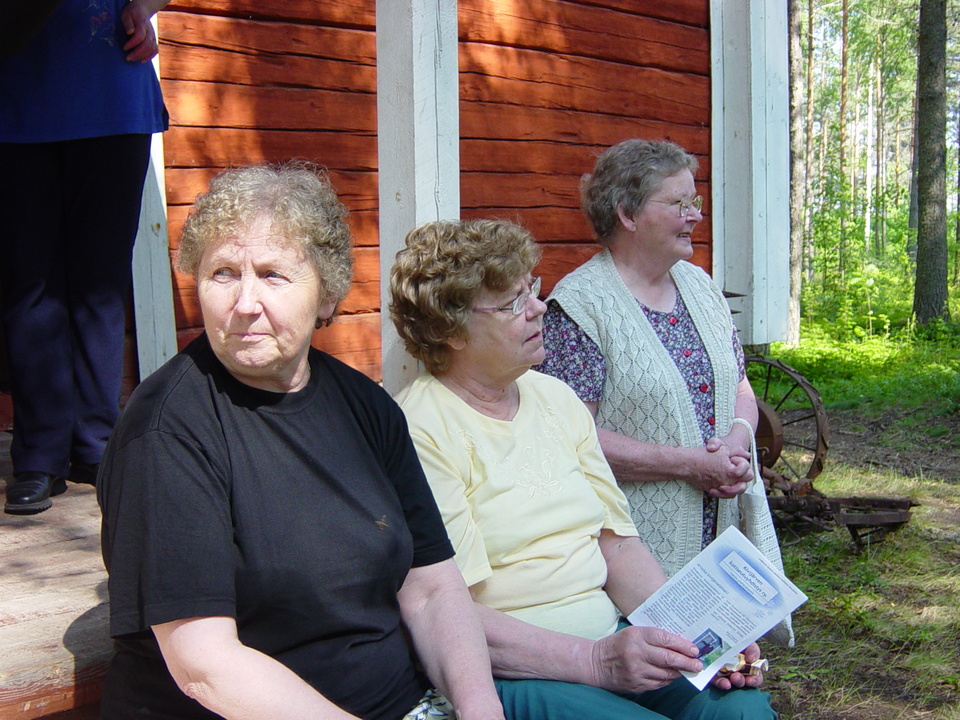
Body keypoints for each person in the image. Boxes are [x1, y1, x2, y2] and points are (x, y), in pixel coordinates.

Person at [96, 164, 505, 720]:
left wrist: (480, 710)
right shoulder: (166, 431)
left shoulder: (365, 407)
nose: (244, 303)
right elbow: (204, 665)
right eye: (222, 273)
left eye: (272, 275)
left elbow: (432, 589)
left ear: (327, 296)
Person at [389, 218, 775, 720]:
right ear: (450, 330)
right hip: (512, 672)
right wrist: (593, 661)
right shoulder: (421, 428)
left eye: (532, 289)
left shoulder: (555, 398)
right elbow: (445, 607)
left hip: (605, 642)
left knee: (741, 710)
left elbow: (616, 544)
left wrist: (694, 638)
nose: (539, 308)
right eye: (512, 303)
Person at [536, 139, 791, 645]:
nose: (695, 215)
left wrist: (737, 441)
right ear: (627, 214)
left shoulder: (700, 286)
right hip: (631, 548)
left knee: (721, 664)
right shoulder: (581, 306)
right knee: (655, 664)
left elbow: (739, 385)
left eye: (695, 201)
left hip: (719, 530)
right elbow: (570, 437)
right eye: (678, 203)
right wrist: (689, 465)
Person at [1, 0, 169, 514]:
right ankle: (40, 454)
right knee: (28, 282)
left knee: (102, 281)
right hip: (14, 99)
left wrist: (146, 6)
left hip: (111, 94)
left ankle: (97, 444)